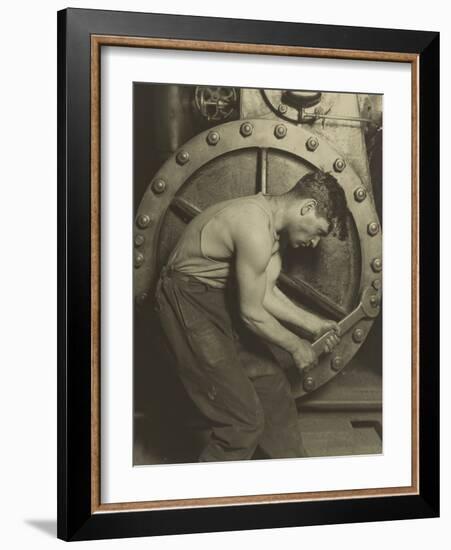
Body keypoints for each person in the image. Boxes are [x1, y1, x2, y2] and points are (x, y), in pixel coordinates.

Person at [155, 169, 349, 462]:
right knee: (242, 421)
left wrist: (314, 324)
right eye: (320, 231)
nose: (315, 243)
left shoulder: (272, 229)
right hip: (185, 299)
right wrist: (296, 345)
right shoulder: (254, 226)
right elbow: (251, 312)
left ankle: (296, 482)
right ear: (307, 208)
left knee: (272, 388)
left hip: (216, 298)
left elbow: (265, 293)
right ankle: (203, 502)